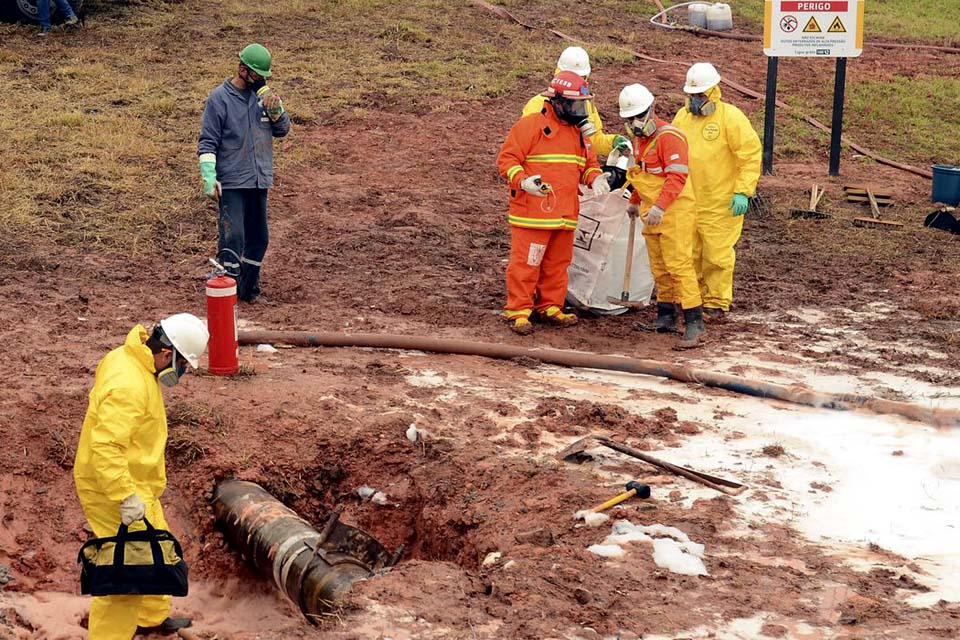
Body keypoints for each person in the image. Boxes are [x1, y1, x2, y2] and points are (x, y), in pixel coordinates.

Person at [74, 314, 209, 639]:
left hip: (138, 485)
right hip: (114, 488)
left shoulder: (129, 358)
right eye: (183, 366)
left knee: (154, 548)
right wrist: (125, 496)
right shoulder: (130, 386)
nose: (181, 373)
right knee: (125, 572)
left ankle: (151, 619)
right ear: (167, 355)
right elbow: (106, 445)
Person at [498, 71, 611, 335]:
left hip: (565, 213)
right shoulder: (530, 126)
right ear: (557, 101)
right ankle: (519, 310)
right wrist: (523, 181)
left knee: (558, 264)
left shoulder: (579, 136)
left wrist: (596, 179)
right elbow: (507, 160)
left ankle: (550, 305)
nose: (578, 111)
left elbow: (588, 165)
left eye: (582, 105)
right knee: (527, 263)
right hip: (534, 214)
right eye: (573, 104)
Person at [198, 43, 292, 303]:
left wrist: (277, 112)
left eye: (264, 76)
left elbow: (283, 130)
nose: (260, 80)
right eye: (257, 75)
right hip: (232, 181)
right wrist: (209, 175)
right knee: (234, 236)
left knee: (259, 238)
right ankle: (227, 290)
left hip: (259, 179)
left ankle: (249, 289)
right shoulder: (219, 98)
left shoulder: (263, 99)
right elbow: (207, 141)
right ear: (242, 70)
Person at [672, 62, 761, 321]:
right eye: (692, 96)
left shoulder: (731, 118)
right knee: (689, 252)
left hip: (721, 202)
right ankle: (692, 298)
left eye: (700, 95)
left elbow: (750, 155)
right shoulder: (682, 117)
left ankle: (716, 301)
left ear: (714, 91)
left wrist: (743, 191)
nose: (696, 101)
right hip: (687, 200)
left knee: (717, 254)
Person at [618, 84, 704, 347]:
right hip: (652, 211)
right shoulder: (640, 140)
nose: (634, 123)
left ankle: (694, 323)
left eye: (639, 117)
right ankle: (666, 316)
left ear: (651, 110)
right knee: (659, 267)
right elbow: (642, 175)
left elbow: (677, 176)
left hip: (674, 211)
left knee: (679, 265)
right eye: (629, 119)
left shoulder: (670, 137)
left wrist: (660, 207)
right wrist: (635, 200)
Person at [521, 46, 632, 161]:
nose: (576, 83)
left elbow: (593, 140)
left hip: (575, 171)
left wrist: (612, 142)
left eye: (580, 78)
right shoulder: (537, 105)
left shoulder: (586, 106)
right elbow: (522, 144)